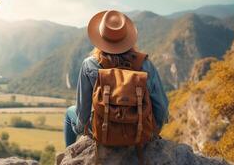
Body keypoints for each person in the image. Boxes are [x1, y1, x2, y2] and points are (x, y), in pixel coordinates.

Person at [64, 10, 169, 147]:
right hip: (139, 131)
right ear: (128, 39)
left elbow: (83, 110)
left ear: (100, 39)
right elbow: (161, 106)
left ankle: (68, 155)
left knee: (69, 112)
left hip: (103, 130)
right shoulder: (146, 65)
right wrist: (152, 132)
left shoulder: (89, 64)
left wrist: (80, 128)